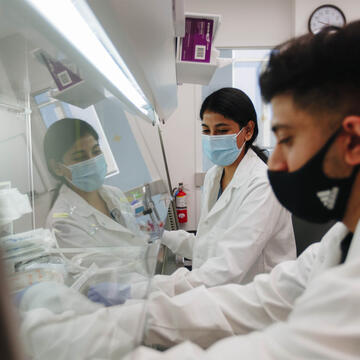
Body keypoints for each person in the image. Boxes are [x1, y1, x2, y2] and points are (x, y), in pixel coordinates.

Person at [17, 21, 360, 360]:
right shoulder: (339, 242)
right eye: (206, 130)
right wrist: (130, 318)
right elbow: (265, 297)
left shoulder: (262, 185)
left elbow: (276, 335)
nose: (278, 161)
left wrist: (100, 329)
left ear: (353, 141)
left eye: (287, 138)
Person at [152, 87, 295, 296]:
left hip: (260, 300)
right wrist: (161, 235)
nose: (212, 138)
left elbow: (229, 265)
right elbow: (207, 245)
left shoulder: (263, 185)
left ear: (247, 131)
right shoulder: (214, 175)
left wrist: (154, 288)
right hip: (226, 291)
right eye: (206, 130)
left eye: (221, 130)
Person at [43, 118, 147, 248]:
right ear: (57, 167)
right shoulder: (62, 223)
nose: (92, 161)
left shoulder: (114, 193)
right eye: (80, 157)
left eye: (96, 151)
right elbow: (103, 266)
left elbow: (134, 237)